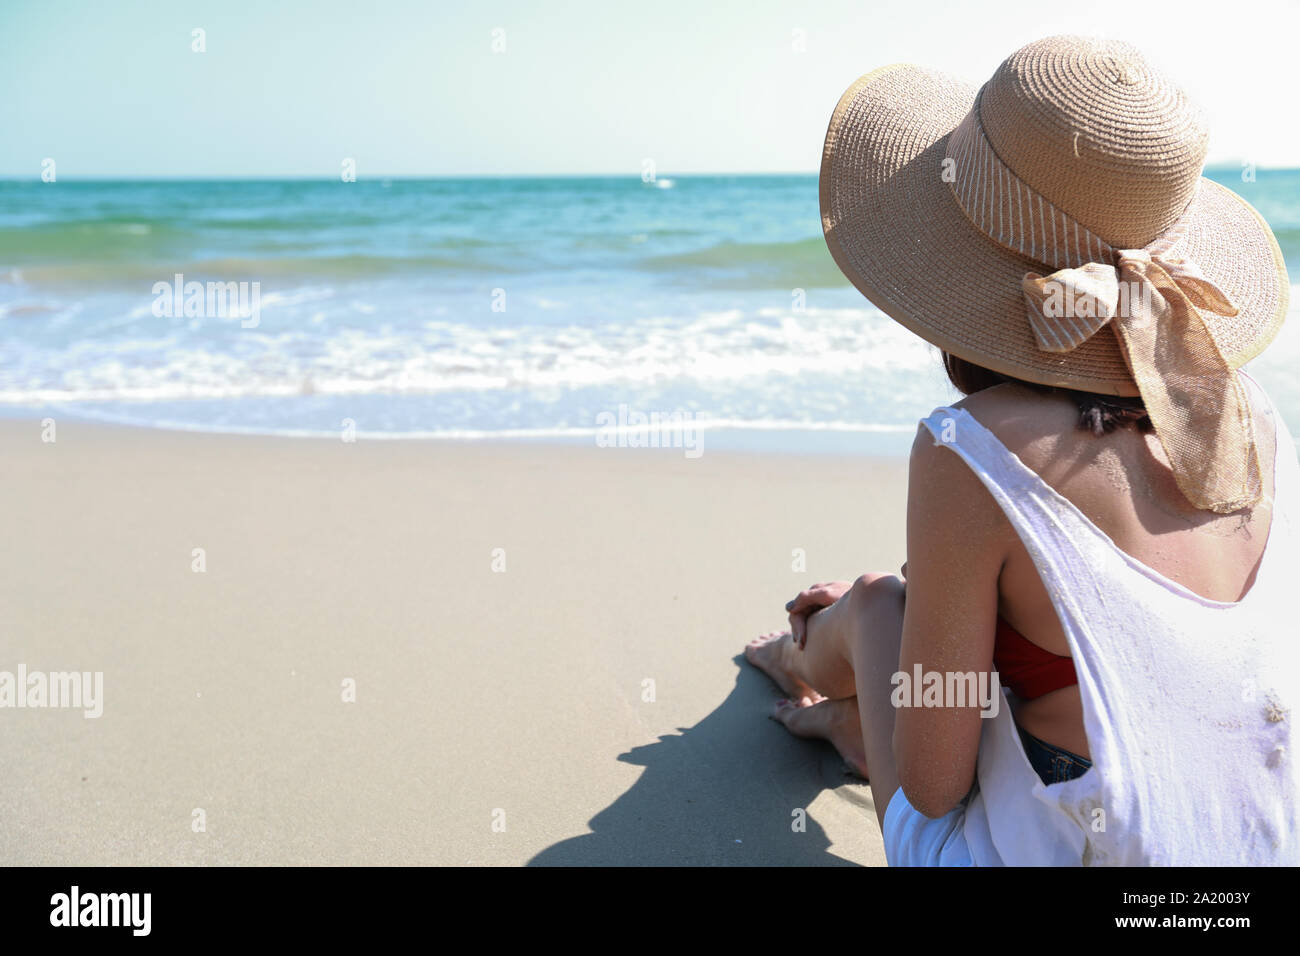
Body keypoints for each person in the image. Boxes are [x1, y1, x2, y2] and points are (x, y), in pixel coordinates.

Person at [745, 35, 1300, 865]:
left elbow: (936, 787)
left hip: (1077, 849)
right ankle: (835, 701)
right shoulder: (1250, 421)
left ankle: (805, 660)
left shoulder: (967, 450)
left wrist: (913, 608)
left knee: (877, 602)